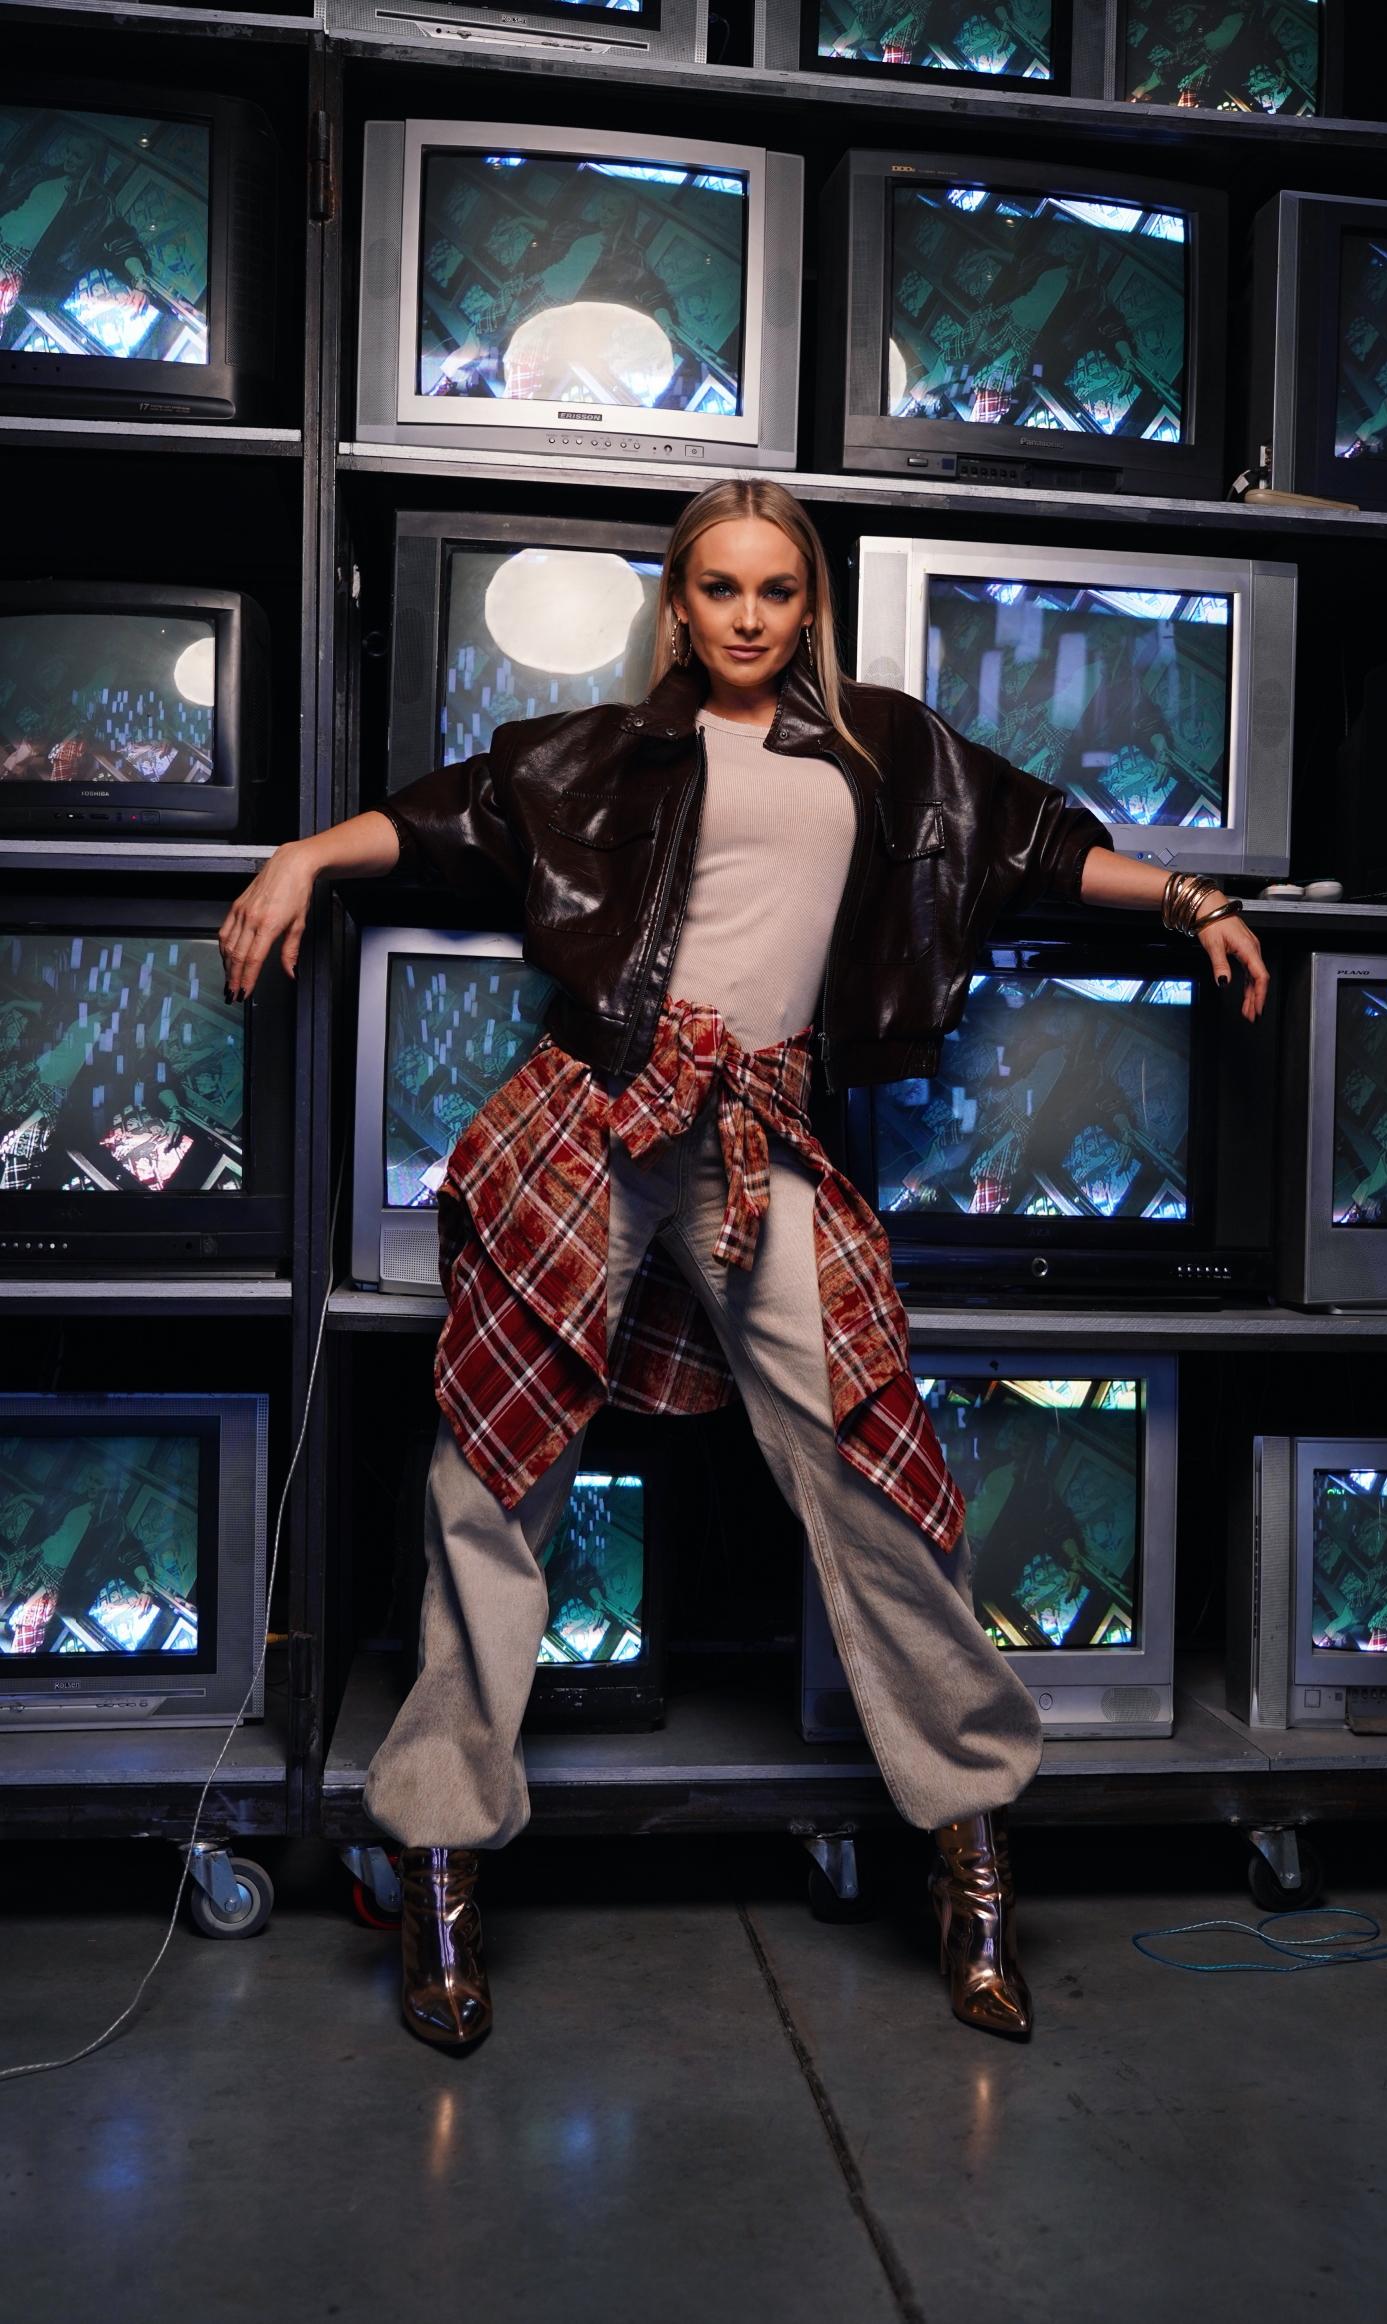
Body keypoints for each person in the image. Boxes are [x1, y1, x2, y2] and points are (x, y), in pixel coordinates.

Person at [219, 479, 1268, 2053]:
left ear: (809, 606)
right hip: (587, 1116)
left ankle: (970, 1857)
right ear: (679, 602)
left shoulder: (885, 750)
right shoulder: (604, 751)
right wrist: (305, 854)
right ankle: (439, 1859)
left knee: (872, 1467)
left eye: (778, 590)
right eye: (721, 588)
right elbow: (447, 821)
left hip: (756, 1130)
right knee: (490, 1480)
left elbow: (1041, 844)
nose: (750, 617)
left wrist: (1192, 900)